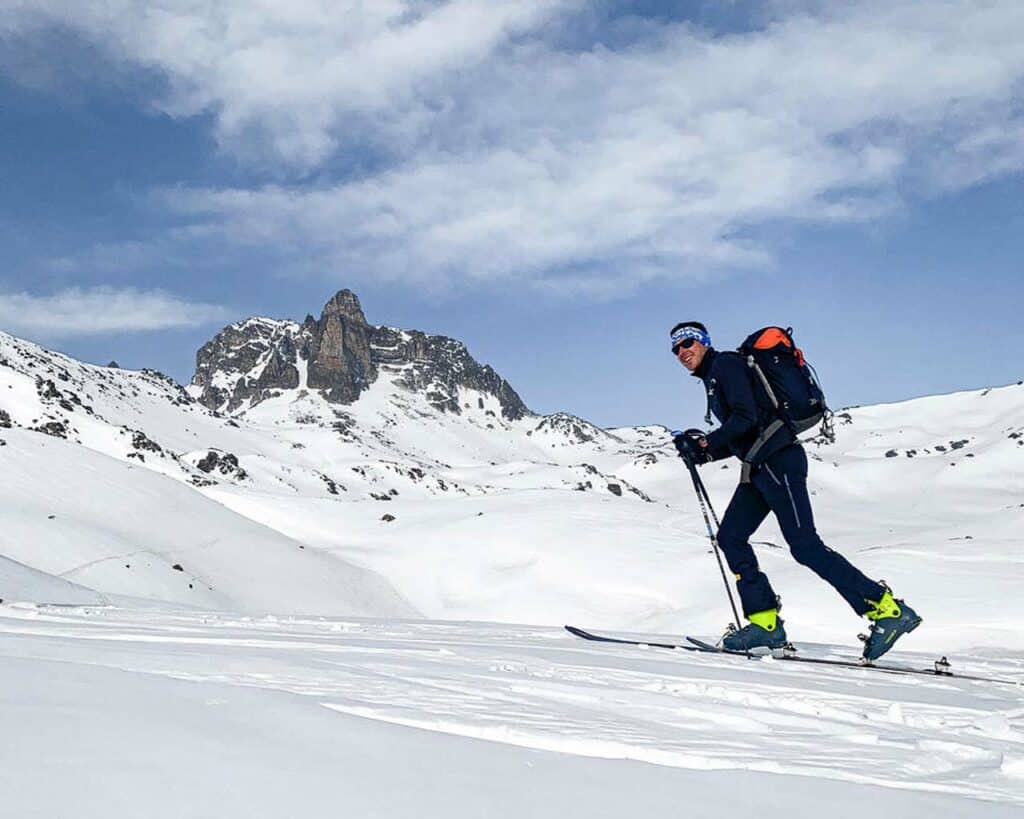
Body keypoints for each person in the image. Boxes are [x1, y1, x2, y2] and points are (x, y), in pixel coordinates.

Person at [668, 321, 921, 661]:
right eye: (677, 349)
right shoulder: (714, 379)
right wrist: (703, 452)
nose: (683, 352)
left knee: (805, 546)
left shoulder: (726, 365)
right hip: (759, 467)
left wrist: (707, 442)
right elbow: (744, 431)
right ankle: (765, 623)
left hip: (779, 461)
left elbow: (745, 418)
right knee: (730, 537)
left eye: (688, 343)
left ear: (704, 343)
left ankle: (886, 610)